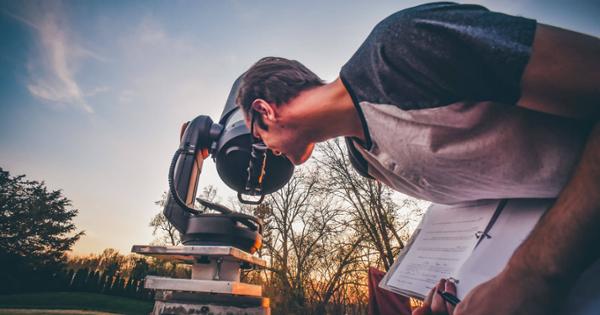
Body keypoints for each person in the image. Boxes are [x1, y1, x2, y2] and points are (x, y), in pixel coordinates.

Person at [235, 2, 600, 314]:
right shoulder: (365, 162)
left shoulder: (400, 48)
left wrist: (533, 274)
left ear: (264, 111)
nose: (268, 152)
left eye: (259, 138)